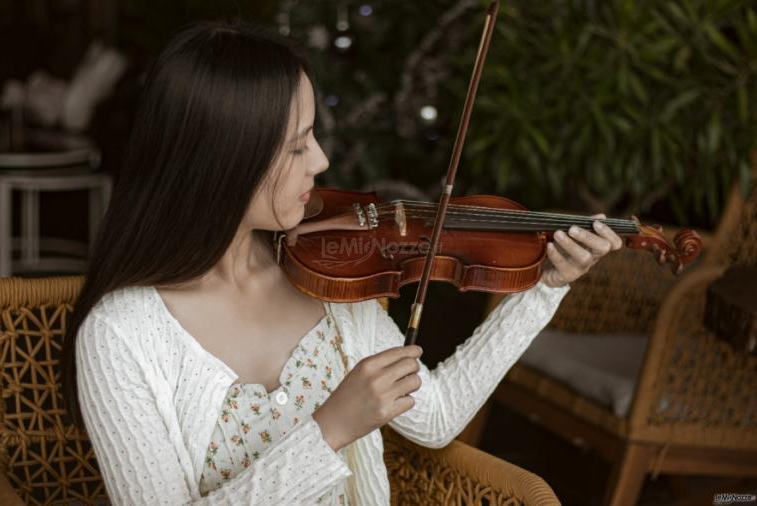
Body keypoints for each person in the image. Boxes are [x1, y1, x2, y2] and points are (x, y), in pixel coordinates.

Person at [60, 19, 623, 506]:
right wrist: (330, 429)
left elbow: (437, 416)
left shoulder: (327, 276)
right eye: (298, 145)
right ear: (226, 161)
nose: (323, 161)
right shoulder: (122, 334)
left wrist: (544, 286)